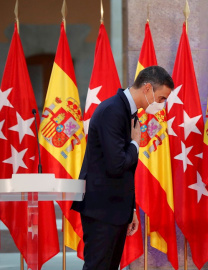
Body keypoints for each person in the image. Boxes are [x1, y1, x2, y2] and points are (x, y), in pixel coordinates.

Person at [71, 65, 174, 270]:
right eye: (161, 98)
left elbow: (125, 170)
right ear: (147, 89)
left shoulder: (128, 111)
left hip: (115, 208)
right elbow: (117, 164)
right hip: (102, 208)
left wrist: (131, 208)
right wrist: (135, 143)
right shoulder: (113, 110)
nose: (162, 105)